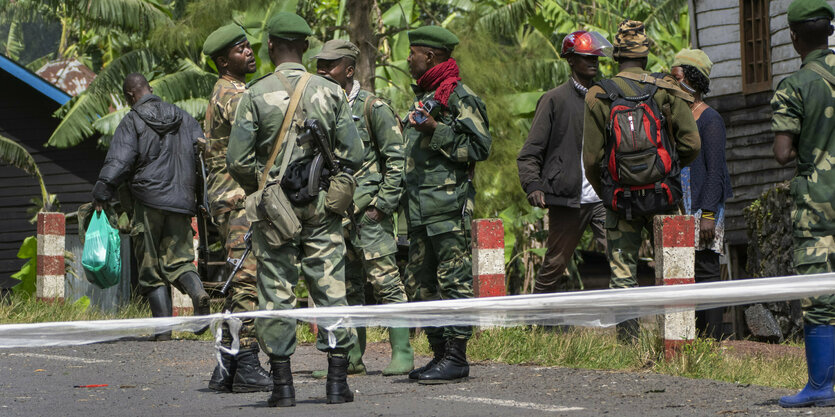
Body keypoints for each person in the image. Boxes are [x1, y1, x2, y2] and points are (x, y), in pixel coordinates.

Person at [226, 12, 363, 407]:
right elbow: (353, 153)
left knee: (275, 292)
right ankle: (337, 384)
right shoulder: (331, 91)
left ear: (270, 46)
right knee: (331, 288)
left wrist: (265, 188)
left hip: (275, 210)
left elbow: (237, 160)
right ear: (306, 47)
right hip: (321, 206)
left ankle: (283, 388)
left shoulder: (254, 93)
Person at [582, 20, 700, 342]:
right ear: (646, 56)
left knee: (623, 276)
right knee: (673, 268)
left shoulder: (598, 95)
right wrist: (669, 169)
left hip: (621, 200)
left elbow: (591, 160)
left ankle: (629, 347)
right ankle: (678, 342)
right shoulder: (665, 89)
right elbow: (692, 144)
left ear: (616, 57)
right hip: (664, 194)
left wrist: (609, 188)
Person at [314, 39, 414, 376]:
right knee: (346, 287)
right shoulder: (322, 106)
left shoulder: (374, 107)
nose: (323, 71)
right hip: (336, 215)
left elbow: (397, 161)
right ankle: (352, 357)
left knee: (386, 283)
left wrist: (381, 207)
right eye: (320, 65)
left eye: (331, 65)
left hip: (370, 215)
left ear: (350, 69)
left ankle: (402, 352)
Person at [401, 25, 492, 384]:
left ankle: (457, 357)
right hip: (420, 207)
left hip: (447, 205)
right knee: (420, 282)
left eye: (413, 53)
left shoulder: (457, 96)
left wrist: (435, 129)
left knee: (453, 279)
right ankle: (438, 354)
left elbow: (481, 147)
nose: (408, 59)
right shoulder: (425, 95)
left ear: (431, 56)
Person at [92, 73, 211, 339]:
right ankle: (198, 294)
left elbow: (120, 160)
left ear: (129, 96)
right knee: (180, 262)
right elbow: (203, 158)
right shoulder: (186, 119)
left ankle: (163, 333)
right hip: (182, 203)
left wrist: (102, 189)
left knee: (151, 269)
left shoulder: (132, 120)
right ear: (150, 88)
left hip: (147, 201)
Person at [771, 0, 835, 408]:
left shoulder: (795, 86)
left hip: (818, 206)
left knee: (819, 294)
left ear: (794, 36)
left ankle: (821, 386)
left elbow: (781, 153)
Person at [200, 24, 271, 393]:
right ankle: (246, 362)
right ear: (222, 60)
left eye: (248, 46)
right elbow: (262, 127)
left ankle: (226, 366)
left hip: (228, 199)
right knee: (247, 280)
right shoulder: (233, 94)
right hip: (240, 198)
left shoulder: (224, 91)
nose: (249, 52)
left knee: (233, 282)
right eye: (240, 49)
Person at [517, 30, 611, 295]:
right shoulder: (554, 99)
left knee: (619, 260)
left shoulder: (606, 97)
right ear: (570, 60)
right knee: (555, 264)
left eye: (596, 58)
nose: (593, 62)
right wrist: (533, 184)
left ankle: (629, 331)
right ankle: (539, 327)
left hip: (602, 197)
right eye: (586, 58)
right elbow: (530, 151)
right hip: (567, 198)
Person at [670, 48, 733, 341]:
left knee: (706, 272)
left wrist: (707, 215)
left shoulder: (710, 120)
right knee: (686, 275)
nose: (673, 80)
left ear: (691, 77)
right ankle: (691, 339)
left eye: (677, 75)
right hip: (684, 208)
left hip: (704, 209)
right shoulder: (679, 117)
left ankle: (713, 342)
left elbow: (716, 171)